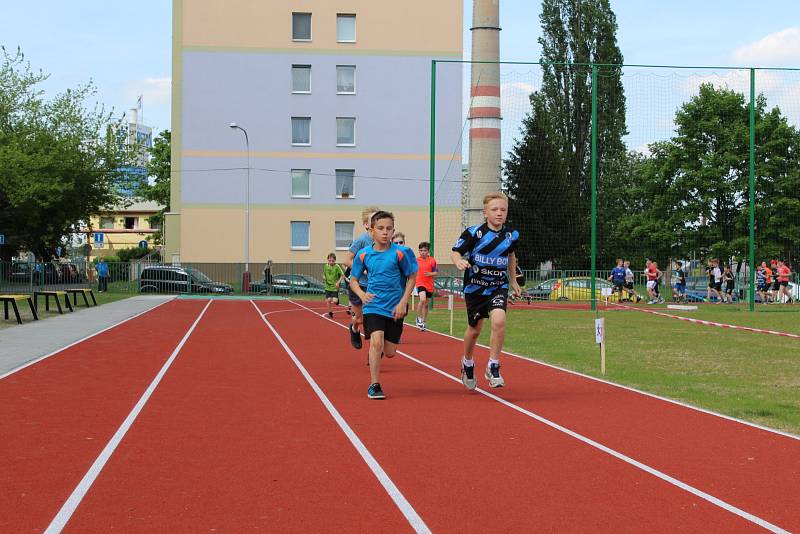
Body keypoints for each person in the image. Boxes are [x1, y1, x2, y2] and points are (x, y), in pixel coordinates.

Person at [451, 192, 521, 390]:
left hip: (498, 286)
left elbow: (511, 255)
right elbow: (456, 251)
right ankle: (467, 362)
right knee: (475, 330)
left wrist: (514, 280)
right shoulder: (474, 233)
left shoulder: (511, 235)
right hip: (475, 288)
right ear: (485, 213)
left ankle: (493, 365)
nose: (499, 213)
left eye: (503, 210)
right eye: (495, 209)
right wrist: (459, 261)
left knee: (499, 320)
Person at [350, 211, 418, 400]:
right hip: (373, 305)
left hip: (395, 307)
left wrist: (404, 302)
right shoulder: (363, 254)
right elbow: (353, 279)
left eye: (389, 229)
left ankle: (380, 353)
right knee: (376, 342)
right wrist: (362, 294)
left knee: (389, 353)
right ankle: (374, 384)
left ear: (393, 231)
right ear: (371, 231)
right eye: (380, 228)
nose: (385, 232)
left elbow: (412, 276)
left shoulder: (401, 252)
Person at [343, 206, 380, 350]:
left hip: (374, 286)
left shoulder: (383, 242)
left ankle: (375, 351)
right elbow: (347, 260)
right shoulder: (361, 241)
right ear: (366, 224)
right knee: (360, 318)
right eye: (373, 220)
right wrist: (363, 270)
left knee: (375, 319)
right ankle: (354, 328)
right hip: (359, 285)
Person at [414, 241, 438, 330]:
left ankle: (424, 322)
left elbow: (436, 272)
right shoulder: (416, 260)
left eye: (424, 250)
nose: (422, 252)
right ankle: (418, 318)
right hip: (420, 283)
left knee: (426, 305)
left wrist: (430, 273)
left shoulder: (432, 260)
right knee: (422, 299)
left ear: (428, 251)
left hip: (429, 284)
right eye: (420, 250)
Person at [323, 253, 346, 318]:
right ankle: (330, 313)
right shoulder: (325, 266)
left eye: (332, 261)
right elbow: (324, 274)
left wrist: (338, 283)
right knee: (328, 300)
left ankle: (337, 301)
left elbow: (342, 275)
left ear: (335, 260)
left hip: (334, 287)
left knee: (335, 301)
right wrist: (324, 277)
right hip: (327, 286)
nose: (331, 262)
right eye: (330, 261)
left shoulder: (337, 266)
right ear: (327, 260)